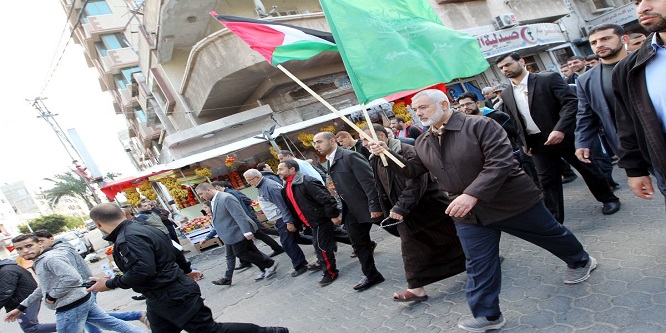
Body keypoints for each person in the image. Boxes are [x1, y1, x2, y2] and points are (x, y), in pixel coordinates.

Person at [368, 89, 597, 332]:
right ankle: (487, 315)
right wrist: (386, 154)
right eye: (416, 109)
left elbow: (501, 162)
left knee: (551, 234)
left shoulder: (480, 125)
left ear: (444, 104)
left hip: (510, 202)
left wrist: (472, 194)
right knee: (478, 263)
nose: (418, 113)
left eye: (423, 107)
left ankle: (581, 260)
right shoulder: (424, 140)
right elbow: (412, 170)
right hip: (468, 215)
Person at [86, 203, 289, 333]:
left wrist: (111, 283)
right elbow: (173, 251)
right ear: (123, 213)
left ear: (97, 224)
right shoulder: (142, 228)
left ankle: (271, 332)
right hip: (160, 297)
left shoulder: (129, 238)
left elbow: (143, 271)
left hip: (171, 294)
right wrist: (186, 269)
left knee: (209, 331)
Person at [497, 52, 621, 223]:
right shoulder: (506, 93)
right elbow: (516, 121)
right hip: (537, 143)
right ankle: (556, 219)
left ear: (522, 61)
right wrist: (522, 143)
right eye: (501, 68)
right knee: (547, 181)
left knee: (588, 169)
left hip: (565, 136)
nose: (505, 69)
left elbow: (570, 103)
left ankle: (609, 199)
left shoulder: (547, 79)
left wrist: (560, 129)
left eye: (508, 64)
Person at [361, 124, 466, 302]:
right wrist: (382, 208)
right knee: (411, 249)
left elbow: (417, 182)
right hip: (405, 215)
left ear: (381, 136)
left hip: (429, 207)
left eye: (365, 138)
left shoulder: (407, 150)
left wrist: (401, 206)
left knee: (455, 237)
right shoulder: (374, 158)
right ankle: (416, 288)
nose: (363, 143)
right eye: (361, 139)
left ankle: (484, 258)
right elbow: (381, 188)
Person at [6, 234, 144, 333]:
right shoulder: (41, 260)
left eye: (29, 246)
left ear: (40, 244)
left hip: (70, 307)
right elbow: (43, 287)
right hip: (80, 300)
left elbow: (72, 278)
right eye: (19, 249)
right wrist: (21, 308)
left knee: (111, 324)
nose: (25, 251)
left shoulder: (49, 259)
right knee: (113, 324)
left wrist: (52, 296)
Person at [312, 131, 384, 292]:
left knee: (399, 230)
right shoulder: (330, 161)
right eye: (314, 143)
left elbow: (369, 182)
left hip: (368, 207)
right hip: (351, 210)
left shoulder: (349, 156)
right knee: (358, 244)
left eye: (319, 141)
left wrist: (375, 205)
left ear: (332, 141)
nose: (316, 146)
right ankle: (372, 275)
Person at [613, 0, 666, 205]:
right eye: (636, 2)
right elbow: (627, 123)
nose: (642, 8)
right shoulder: (629, 68)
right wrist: (634, 169)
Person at [574, 23, 629, 190]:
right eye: (594, 42)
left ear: (624, 39)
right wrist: (582, 142)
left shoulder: (648, 61)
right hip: (628, 147)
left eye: (606, 39)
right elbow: (586, 115)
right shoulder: (585, 80)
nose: (599, 45)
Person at [196, 183, 279, 282]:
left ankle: (269, 264)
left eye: (201, 194)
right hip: (231, 233)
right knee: (251, 250)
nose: (201, 197)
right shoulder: (213, 201)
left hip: (237, 231)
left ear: (208, 190)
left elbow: (239, 215)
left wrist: (246, 231)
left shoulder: (226, 197)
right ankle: (265, 268)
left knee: (241, 253)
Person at [277, 160, 340, 286]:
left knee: (321, 248)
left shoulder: (307, 181)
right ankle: (365, 245)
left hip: (320, 220)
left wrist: (333, 215)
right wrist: (298, 224)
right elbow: (293, 208)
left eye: (280, 169)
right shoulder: (286, 187)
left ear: (292, 170)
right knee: (335, 237)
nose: (278, 172)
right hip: (311, 222)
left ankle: (330, 273)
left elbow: (327, 199)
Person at [243, 169, 311, 277]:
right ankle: (323, 241)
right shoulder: (262, 186)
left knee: (287, 243)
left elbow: (283, 205)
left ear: (256, 178)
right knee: (295, 239)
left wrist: (288, 221)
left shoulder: (269, 186)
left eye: (249, 180)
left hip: (283, 219)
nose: (249, 183)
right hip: (281, 219)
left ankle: (301, 265)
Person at [211, 180, 284, 258]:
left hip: (247, 217)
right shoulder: (229, 193)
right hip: (247, 217)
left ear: (217, 187)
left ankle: (283, 240)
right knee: (261, 234)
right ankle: (277, 247)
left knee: (263, 232)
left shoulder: (229, 194)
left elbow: (247, 201)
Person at [0, 258, 57, 333]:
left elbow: (5, 292)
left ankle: (69, 325)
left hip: (24, 301)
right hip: (27, 300)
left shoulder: (6, 271)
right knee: (31, 328)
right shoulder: (9, 267)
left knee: (31, 329)